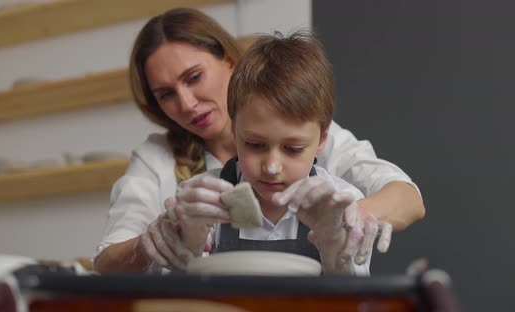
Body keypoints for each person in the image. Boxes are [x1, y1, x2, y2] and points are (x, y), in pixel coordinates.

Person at [92, 8, 424, 273]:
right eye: (166, 94)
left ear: (229, 61)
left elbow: (405, 196)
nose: (187, 103)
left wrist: (343, 223)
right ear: (236, 132)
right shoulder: (178, 176)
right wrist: (162, 241)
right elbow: (110, 261)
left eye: (194, 78)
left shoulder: (316, 142)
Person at [161, 30, 373, 275]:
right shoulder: (202, 196)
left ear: (322, 139)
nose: (272, 167)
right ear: (234, 131)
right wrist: (190, 244)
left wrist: (333, 243)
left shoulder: (342, 202)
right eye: (255, 145)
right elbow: (179, 296)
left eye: (293, 149)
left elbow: (354, 300)